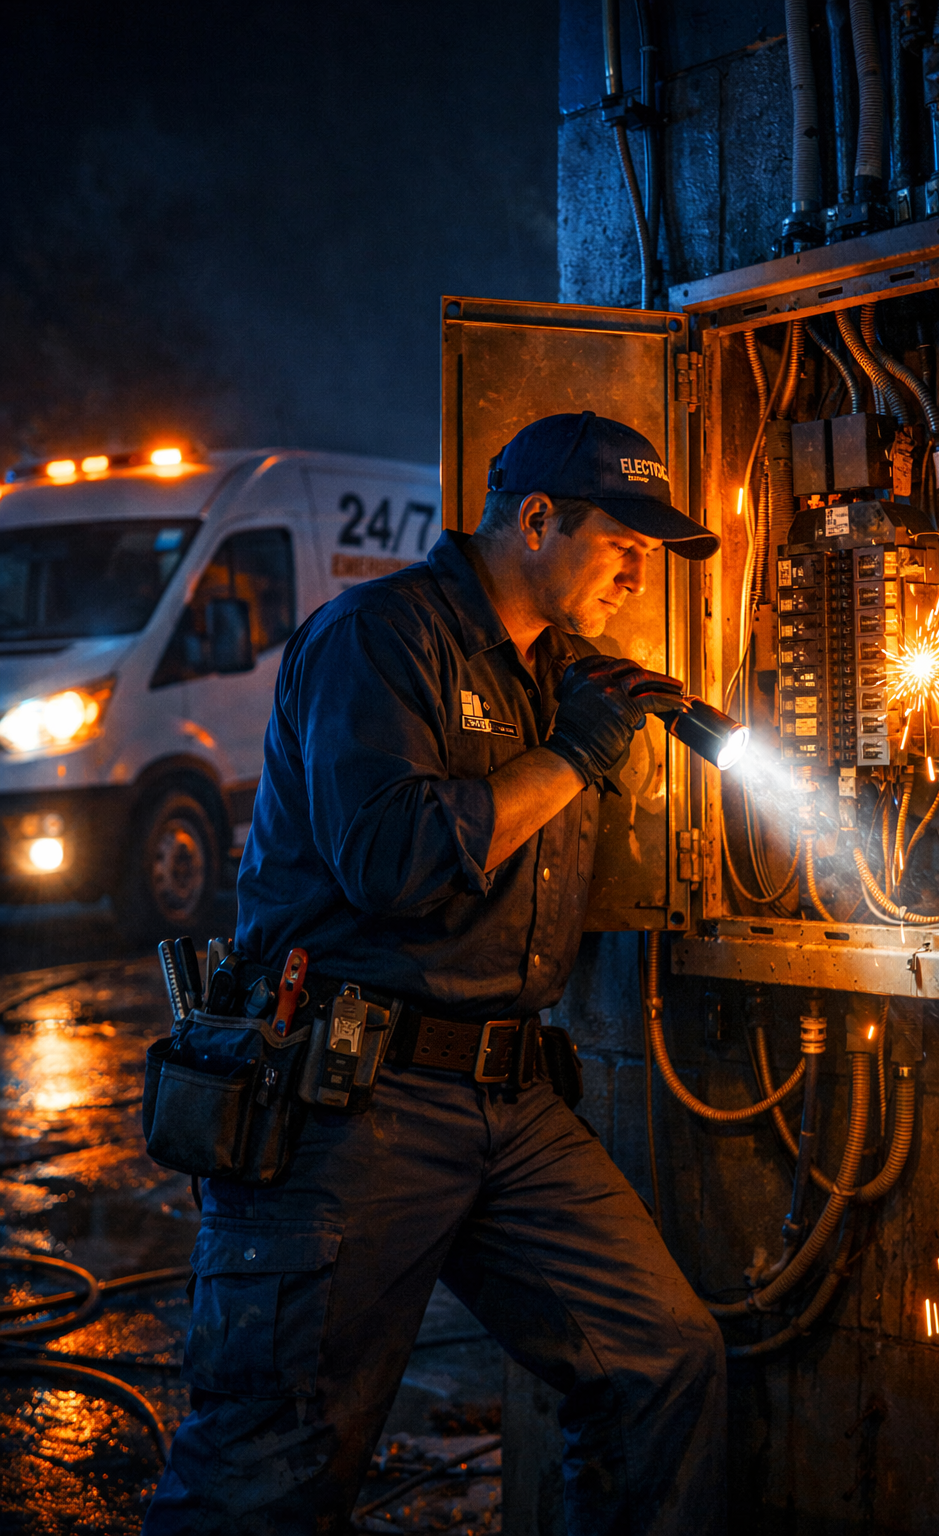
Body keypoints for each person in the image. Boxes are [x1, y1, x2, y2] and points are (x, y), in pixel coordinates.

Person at [143, 411, 727, 1536]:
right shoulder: (377, 638)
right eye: (624, 541)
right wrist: (572, 756)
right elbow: (391, 863)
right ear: (538, 518)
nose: (637, 570)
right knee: (270, 1467)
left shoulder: (555, 673)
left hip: (508, 1101)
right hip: (352, 1102)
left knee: (661, 1364)